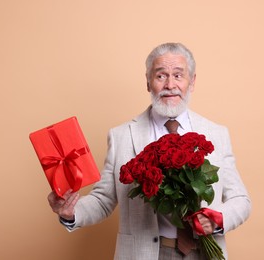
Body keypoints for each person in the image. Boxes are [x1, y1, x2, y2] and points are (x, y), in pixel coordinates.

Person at [47, 42, 251, 260]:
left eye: (178, 76)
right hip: (147, 253)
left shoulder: (216, 133)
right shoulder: (121, 136)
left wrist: (217, 219)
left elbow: (241, 200)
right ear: (148, 82)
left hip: (203, 253)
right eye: (161, 76)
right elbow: (103, 199)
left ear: (192, 82)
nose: (170, 85)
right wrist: (72, 212)